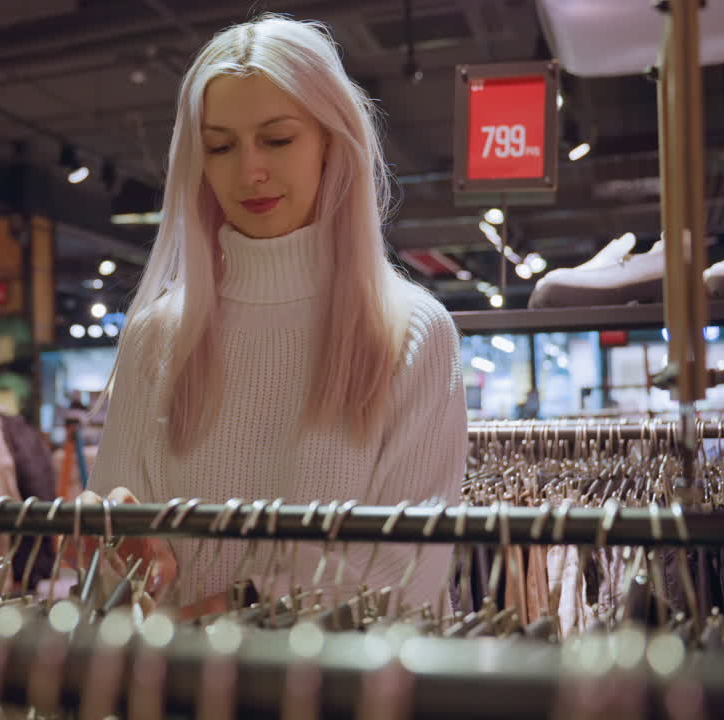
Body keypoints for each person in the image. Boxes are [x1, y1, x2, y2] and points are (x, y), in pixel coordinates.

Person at [86, 14, 468, 614]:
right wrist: (112, 541)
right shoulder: (159, 334)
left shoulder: (412, 332)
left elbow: (405, 571)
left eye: (278, 139)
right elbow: (111, 552)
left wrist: (227, 609)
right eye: (220, 146)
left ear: (330, 141)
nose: (249, 172)